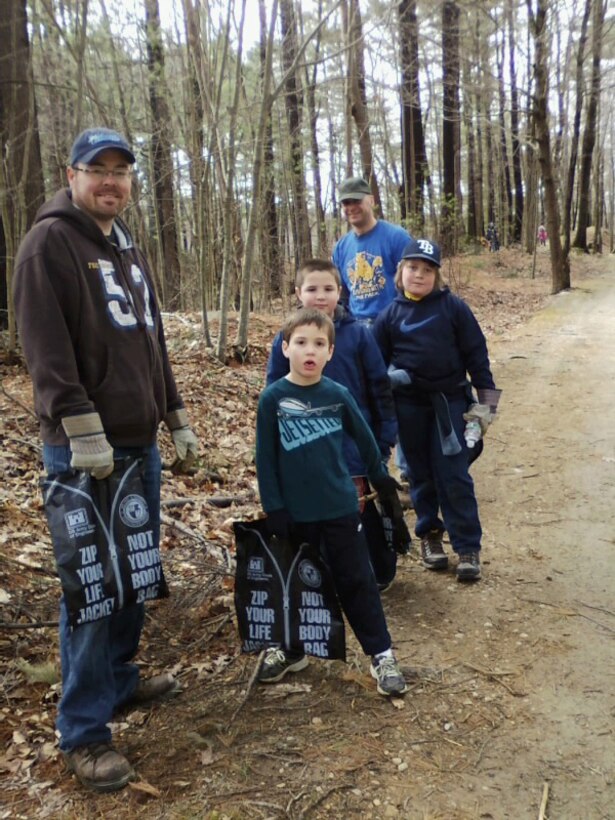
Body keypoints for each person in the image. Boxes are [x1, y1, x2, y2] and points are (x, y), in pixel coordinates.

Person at [13, 127, 199, 792]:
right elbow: (43, 347)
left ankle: (118, 680)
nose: (111, 182)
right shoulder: (49, 245)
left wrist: (172, 415)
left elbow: (150, 344)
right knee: (92, 585)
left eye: (121, 172)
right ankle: (84, 733)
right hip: (84, 450)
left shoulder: (127, 250)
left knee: (135, 570)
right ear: (72, 174)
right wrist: (78, 427)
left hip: (137, 442)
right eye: (99, 170)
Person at [255, 308, 409, 697]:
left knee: (357, 581)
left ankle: (381, 654)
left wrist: (381, 481)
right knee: (296, 584)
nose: (310, 351)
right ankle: (293, 650)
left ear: (330, 351)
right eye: (301, 343)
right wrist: (274, 507)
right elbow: (266, 458)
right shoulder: (272, 399)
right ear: (285, 347)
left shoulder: (337, 394)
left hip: (340, 508)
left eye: (319, 344)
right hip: (294, 513)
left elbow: (365, 439)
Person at [266, 259, 403, 590]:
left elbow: (378, 386)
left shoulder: (357, 335)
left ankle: (376, 570)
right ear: (299, 293)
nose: (320, 296)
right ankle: (323, 573)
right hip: (307, 446)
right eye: (312, 289)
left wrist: (385, 434)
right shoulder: (286, 340)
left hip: (354, 446)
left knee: (358, 507)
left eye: (328, 289)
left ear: (340, 292)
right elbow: (273, 392)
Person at [373, 239, 501, 582]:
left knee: (454, 474)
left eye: (427, 269)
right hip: (409, 406)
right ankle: (430, 536)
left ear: (437, 275)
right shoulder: (389, 315)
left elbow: (477, 354)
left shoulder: (454, 308)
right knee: (420, 473)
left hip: (451, 403)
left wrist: (486, 407)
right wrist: (382, 406)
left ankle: (468, 547)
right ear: (400, 272)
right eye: (413, 267)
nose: (419, 275)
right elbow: (375, 367)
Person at [332, 177, 411, 323]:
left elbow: (411, 286)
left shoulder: (397, 237)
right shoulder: (340, 247)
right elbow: (341, 294)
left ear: (371, 201)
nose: (351, 207)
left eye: (357, 201)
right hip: (356, 326)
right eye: (346, 203)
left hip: (392, 324)